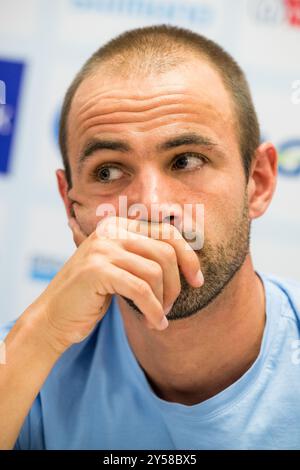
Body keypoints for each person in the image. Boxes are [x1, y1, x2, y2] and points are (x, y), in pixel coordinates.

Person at [0, 24, 299, 450]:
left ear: (259, 181)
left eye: (187, 160)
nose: (152, 206)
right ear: (72, 207)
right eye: (108, 171)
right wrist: (43, 332)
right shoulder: (26, 359)